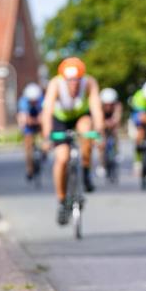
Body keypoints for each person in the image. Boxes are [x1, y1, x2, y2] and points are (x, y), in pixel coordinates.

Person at [41, 57, 104, 225]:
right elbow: (47, 111)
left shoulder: (89, 83)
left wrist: (98, 133)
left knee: (86, 132)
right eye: (70, 81)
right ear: (64, 79)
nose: (74, 84)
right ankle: (62, 201)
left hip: (80, 117)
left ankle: (85, 169)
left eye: (77, 80)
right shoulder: (55, 84)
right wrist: (47, 137)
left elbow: (96, 108)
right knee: (62, 158)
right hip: (60, 119)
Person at [17, 83, 44, 181]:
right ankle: (29, 169)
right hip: (28, 123)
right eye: (31, 101)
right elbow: (25, 119)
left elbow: (44, 117)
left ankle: (43, 150)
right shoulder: (23, 102)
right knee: (28, 145)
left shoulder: (42, 100)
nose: (33, 102)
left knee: (44, 130)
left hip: (38, 120)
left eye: (35, 101)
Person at [99, 88, 122, 175]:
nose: (108, 106)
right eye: (106, 104)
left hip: (112, 122)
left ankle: (116, 151)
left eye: (110, 104)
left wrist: (114, 122)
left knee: (115, 132)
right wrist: (103, 124)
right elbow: (99, 120)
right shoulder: (99, 107)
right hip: (103, 120)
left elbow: (117, 118)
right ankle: (102, 163)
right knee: (101, 142)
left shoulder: (117, 106)